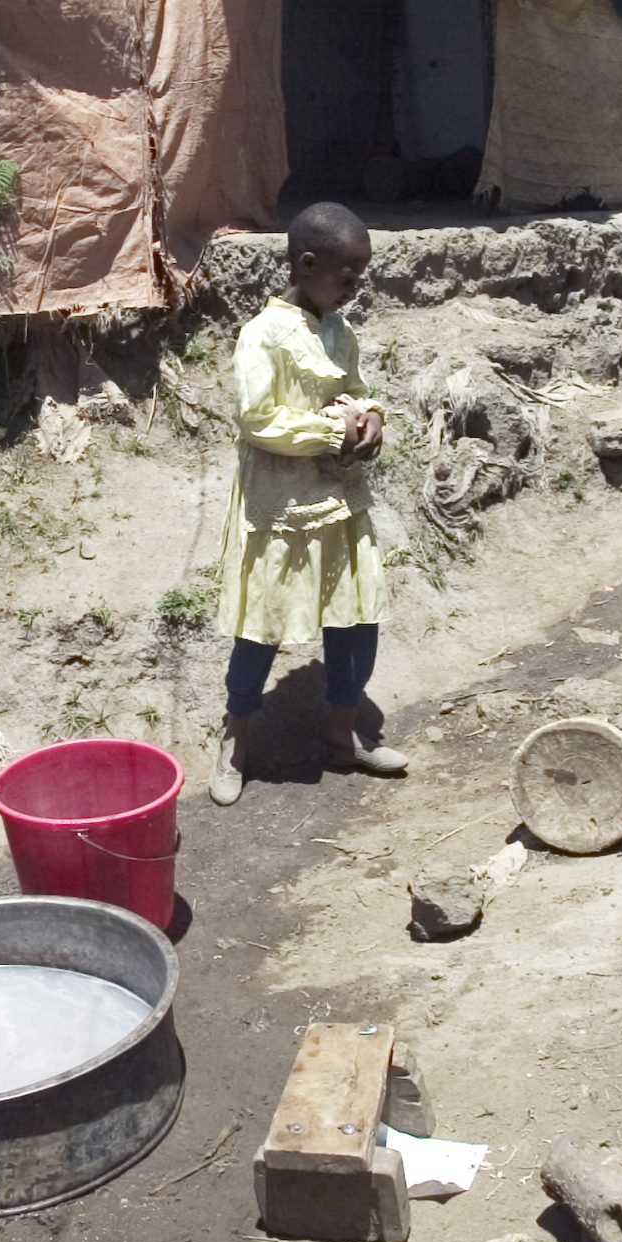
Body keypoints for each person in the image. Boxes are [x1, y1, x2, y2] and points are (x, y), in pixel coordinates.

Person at [212, 201, 405, 806]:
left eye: (363, 273)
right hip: (281, 505)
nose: (356, 285)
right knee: (259, 625)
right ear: (307, 263)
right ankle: (235, 741)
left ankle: (341, 738)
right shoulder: (262, 335)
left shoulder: (340, 333)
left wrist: (371, 420)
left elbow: (357, 392)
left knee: (357, 620)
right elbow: (257, 418)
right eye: (347, 274)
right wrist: (329, 434)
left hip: (341, 500)